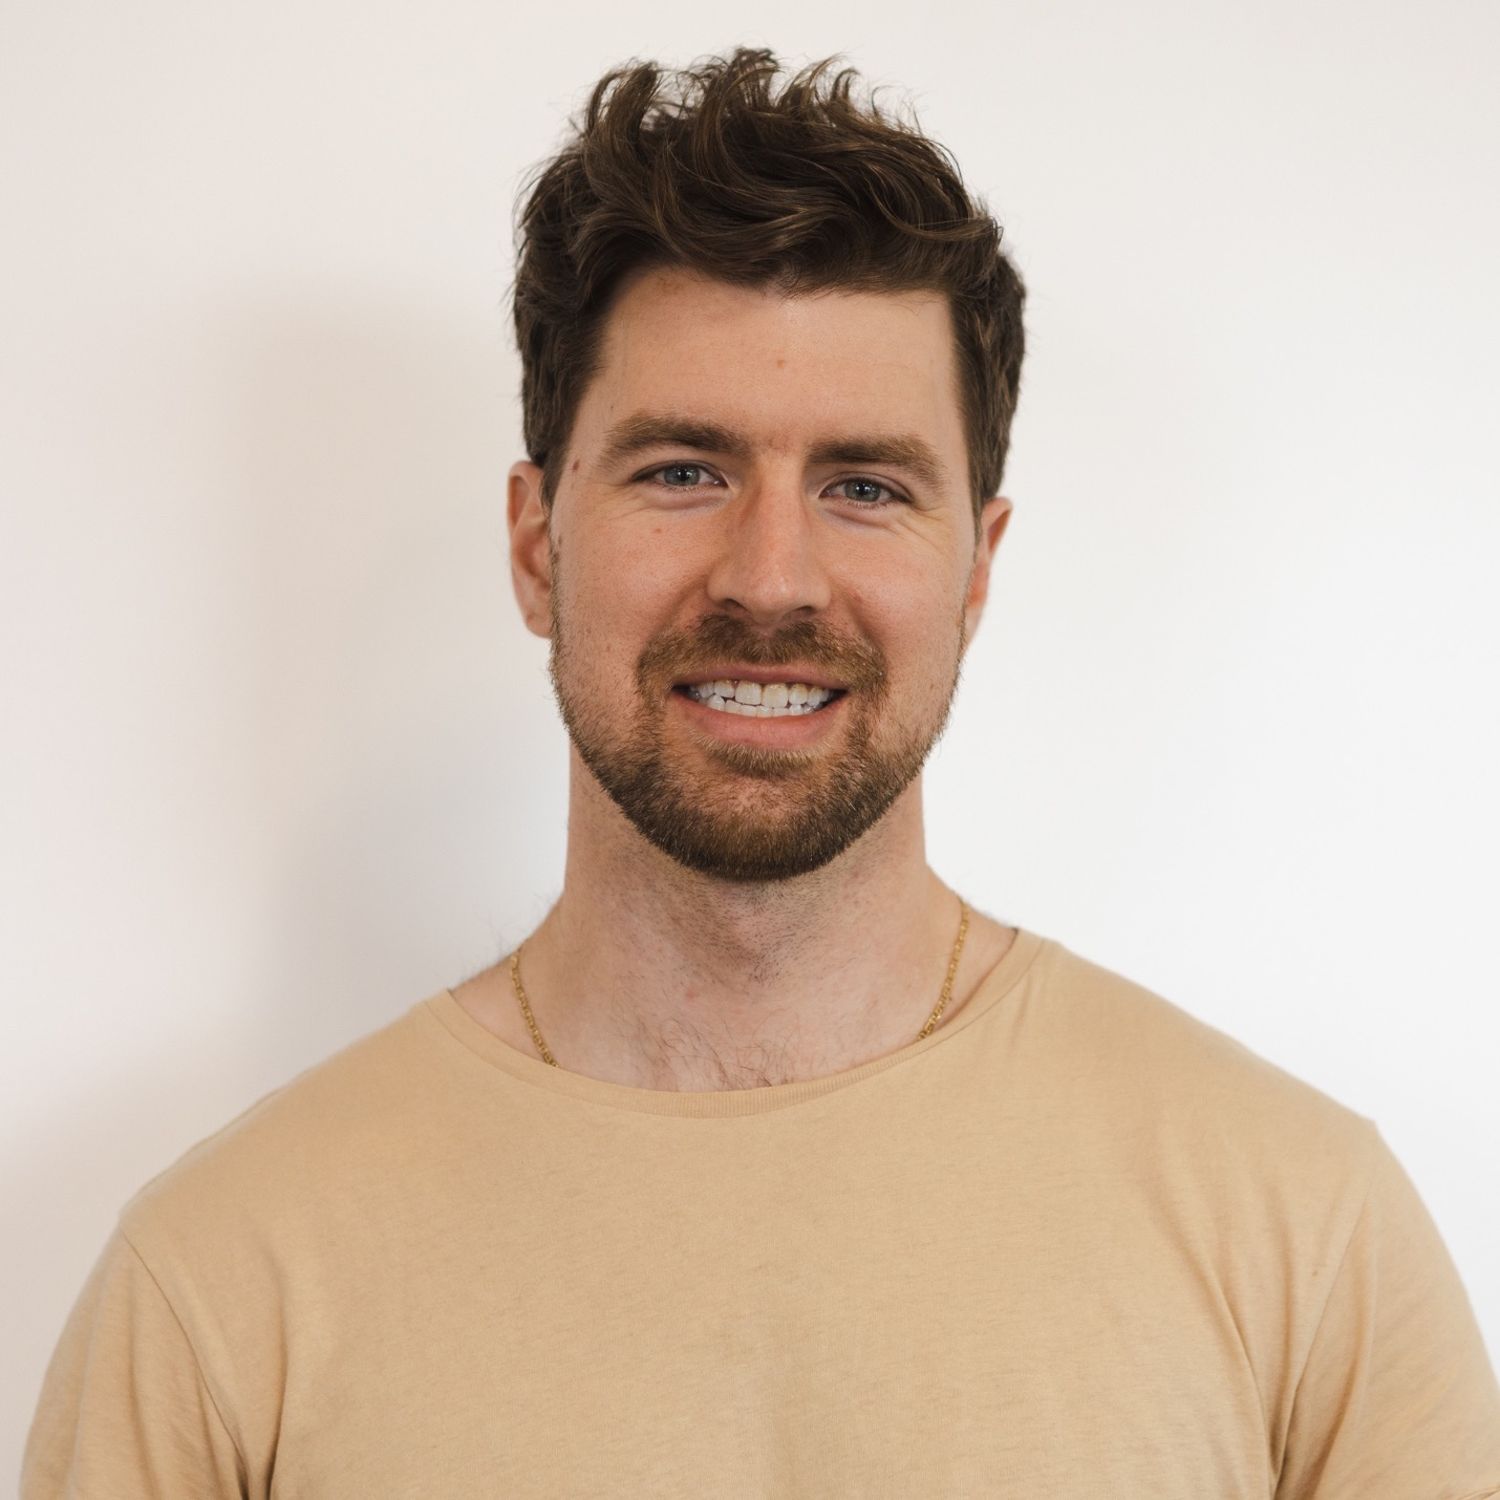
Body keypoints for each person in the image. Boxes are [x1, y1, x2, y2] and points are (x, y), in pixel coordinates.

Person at [21, 45, 1500, 1499]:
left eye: (865, 485)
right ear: (538, 546)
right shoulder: (220, 1286)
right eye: (683, 471)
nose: (772, 576)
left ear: (977, 570)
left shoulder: (1305, 1233)